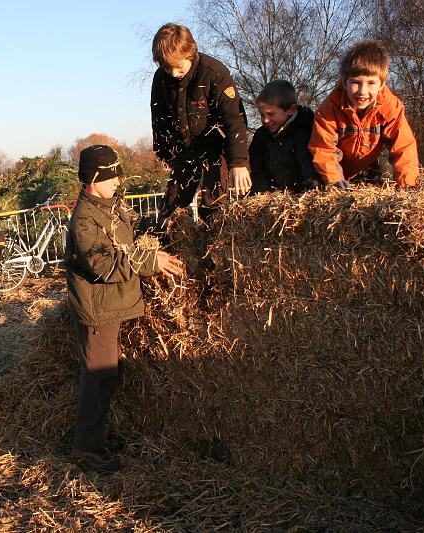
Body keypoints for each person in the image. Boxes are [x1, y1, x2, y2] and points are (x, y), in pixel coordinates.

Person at [65, 145, 184, 472]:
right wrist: (151, 260)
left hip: (112, 306)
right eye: (110, 175)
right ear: (93, 179)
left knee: (109, 375)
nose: (117, 180)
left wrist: (166, 221)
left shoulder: (112, 205)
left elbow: (136, 226)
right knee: (98, 378)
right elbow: (103, 264)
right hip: (98, 310)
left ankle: (97, 439)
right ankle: (86, 449)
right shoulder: (85, 220)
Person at [150, 22, 251, 222]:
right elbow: (158, 117)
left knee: (212, 203)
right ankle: (167, 245)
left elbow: (235, 119)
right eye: (166, 67)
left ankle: (211, 245)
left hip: (215, 149)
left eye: (178, 67)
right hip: (185, 151)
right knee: (171, 207)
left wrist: (238, 162)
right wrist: (164, 152)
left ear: (190, 54)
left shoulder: (215, 73)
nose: (173, 73)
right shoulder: (161, 78)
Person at [309, 40, 419, 190]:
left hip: (372, 160)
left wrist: (408, 185)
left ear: (382, 83)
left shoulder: (391, 107)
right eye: (355, 82)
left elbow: (404, 147)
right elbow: (323, 148)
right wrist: (334, 179)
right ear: (344, 81)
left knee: (385, 179)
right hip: (339, 164)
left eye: (371, 83)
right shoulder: (329, 109)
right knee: (319, 183)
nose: (362, 91)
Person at [249, 80, 322, 194]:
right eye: (262, 115)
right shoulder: (261, 136)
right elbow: (257, 168)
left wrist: (313, 183)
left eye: (271, 114)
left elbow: (307, 162)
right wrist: (263, 191)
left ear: (291, 110)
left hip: (302, 193)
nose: (266, 120)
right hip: (276, 194)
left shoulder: (305, 131)